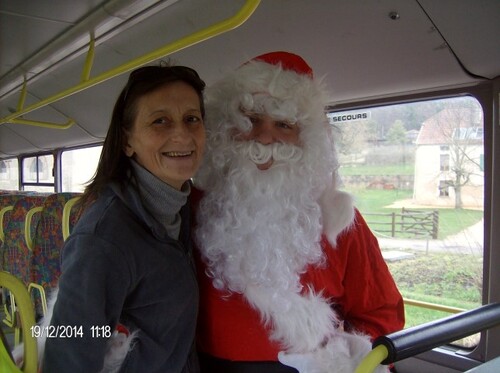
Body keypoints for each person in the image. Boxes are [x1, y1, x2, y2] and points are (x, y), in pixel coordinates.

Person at [192, 51, 405, 373]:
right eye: (250, 121)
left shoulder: (339, 221)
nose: (265, 137)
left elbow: (382, 313)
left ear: (307, 139)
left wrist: (344, 357)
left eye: (283, 125)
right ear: (226, 129)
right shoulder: (190, 209)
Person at [42, 63, 206, 372]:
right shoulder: (104, 239)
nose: (182, 134)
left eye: (192, 119)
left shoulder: (185, 211)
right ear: (127, 141)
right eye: (160, 121)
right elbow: (69, 356)